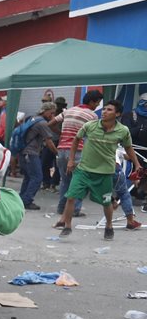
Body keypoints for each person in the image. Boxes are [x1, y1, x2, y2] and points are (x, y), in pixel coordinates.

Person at [58, 100, 140, 241]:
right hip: (83, 170)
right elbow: (76, 140)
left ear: (117, 114)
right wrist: (71, 160)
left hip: (105, 173)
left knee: (106, 202)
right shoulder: (90, 126)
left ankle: (109, 226)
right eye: (104, 109)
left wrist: (137, 164)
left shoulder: (123, 130)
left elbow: (128, 148)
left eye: (109, 110)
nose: (104, 112)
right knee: (71, 197)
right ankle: (67, 226)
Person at [54, 89, 102, 222]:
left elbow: (51, 123)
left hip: (61, 150)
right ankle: (74, 210)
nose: (97, 106)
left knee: (65, 181)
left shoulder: (69, 111)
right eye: (97, 103)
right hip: (78, 152)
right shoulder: (92, 116)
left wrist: (62, 134)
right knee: (80, 181)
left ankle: (61, 208)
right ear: (91, 102)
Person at [14, 102, 58, 210]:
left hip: (23, 152)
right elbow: (49, 141)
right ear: (45, 111)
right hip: (31, 153)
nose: (52, 116)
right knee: (37, 177)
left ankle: (22, 199)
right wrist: (57, 153)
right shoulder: (42, 123)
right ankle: (27, 201)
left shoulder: (32, 118)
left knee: (28, 177)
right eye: (51, 113)